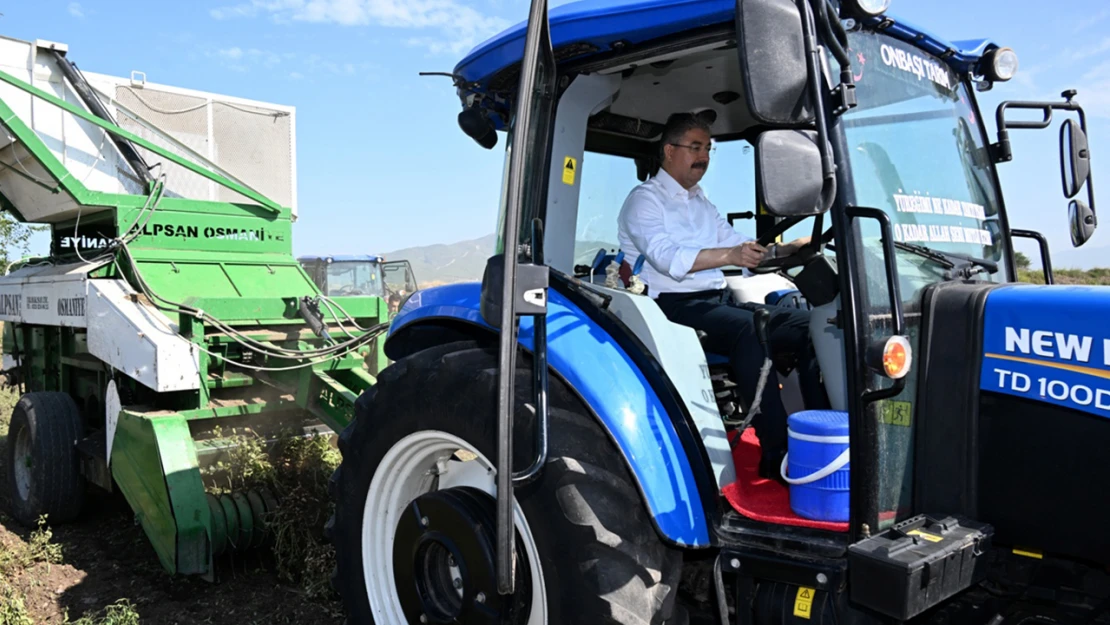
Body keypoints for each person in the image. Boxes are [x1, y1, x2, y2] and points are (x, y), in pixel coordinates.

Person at [616, 112, 829, 481]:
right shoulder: (644, 201)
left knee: (816, 325)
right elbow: (667, 259)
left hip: (716, 302)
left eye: (708, 149)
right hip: (673, 308)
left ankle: (822, 433)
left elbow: (738, 244)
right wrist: (730, 257)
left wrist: (783, 250)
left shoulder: (701, 202)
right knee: (750, 330)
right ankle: (776, 452)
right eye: (695, 147)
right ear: (669, 150)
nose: (704, 156)